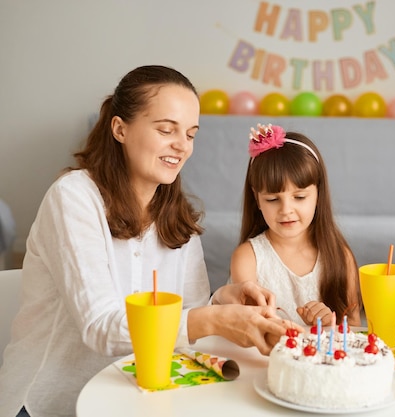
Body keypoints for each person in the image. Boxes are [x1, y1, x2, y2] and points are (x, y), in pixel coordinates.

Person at [0, 65, 297, 417]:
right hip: (50, 403)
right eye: (166, 129)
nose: (182, 146)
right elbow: (100, 328)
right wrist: (215, 320)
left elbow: (188, 319)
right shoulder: (74, 198)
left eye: (190, 134)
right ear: (120, 129)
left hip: (140, 397)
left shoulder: (176, 214)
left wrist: (221, 302)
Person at [229, 124, 361, 328]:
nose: (286, 209)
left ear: (318, 194)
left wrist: (329, 325)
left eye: (299, 197)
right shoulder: (248, 258)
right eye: (273, 199)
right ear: (257, 198)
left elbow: (354, 328)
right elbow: (251, 329)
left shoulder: (340, 258)